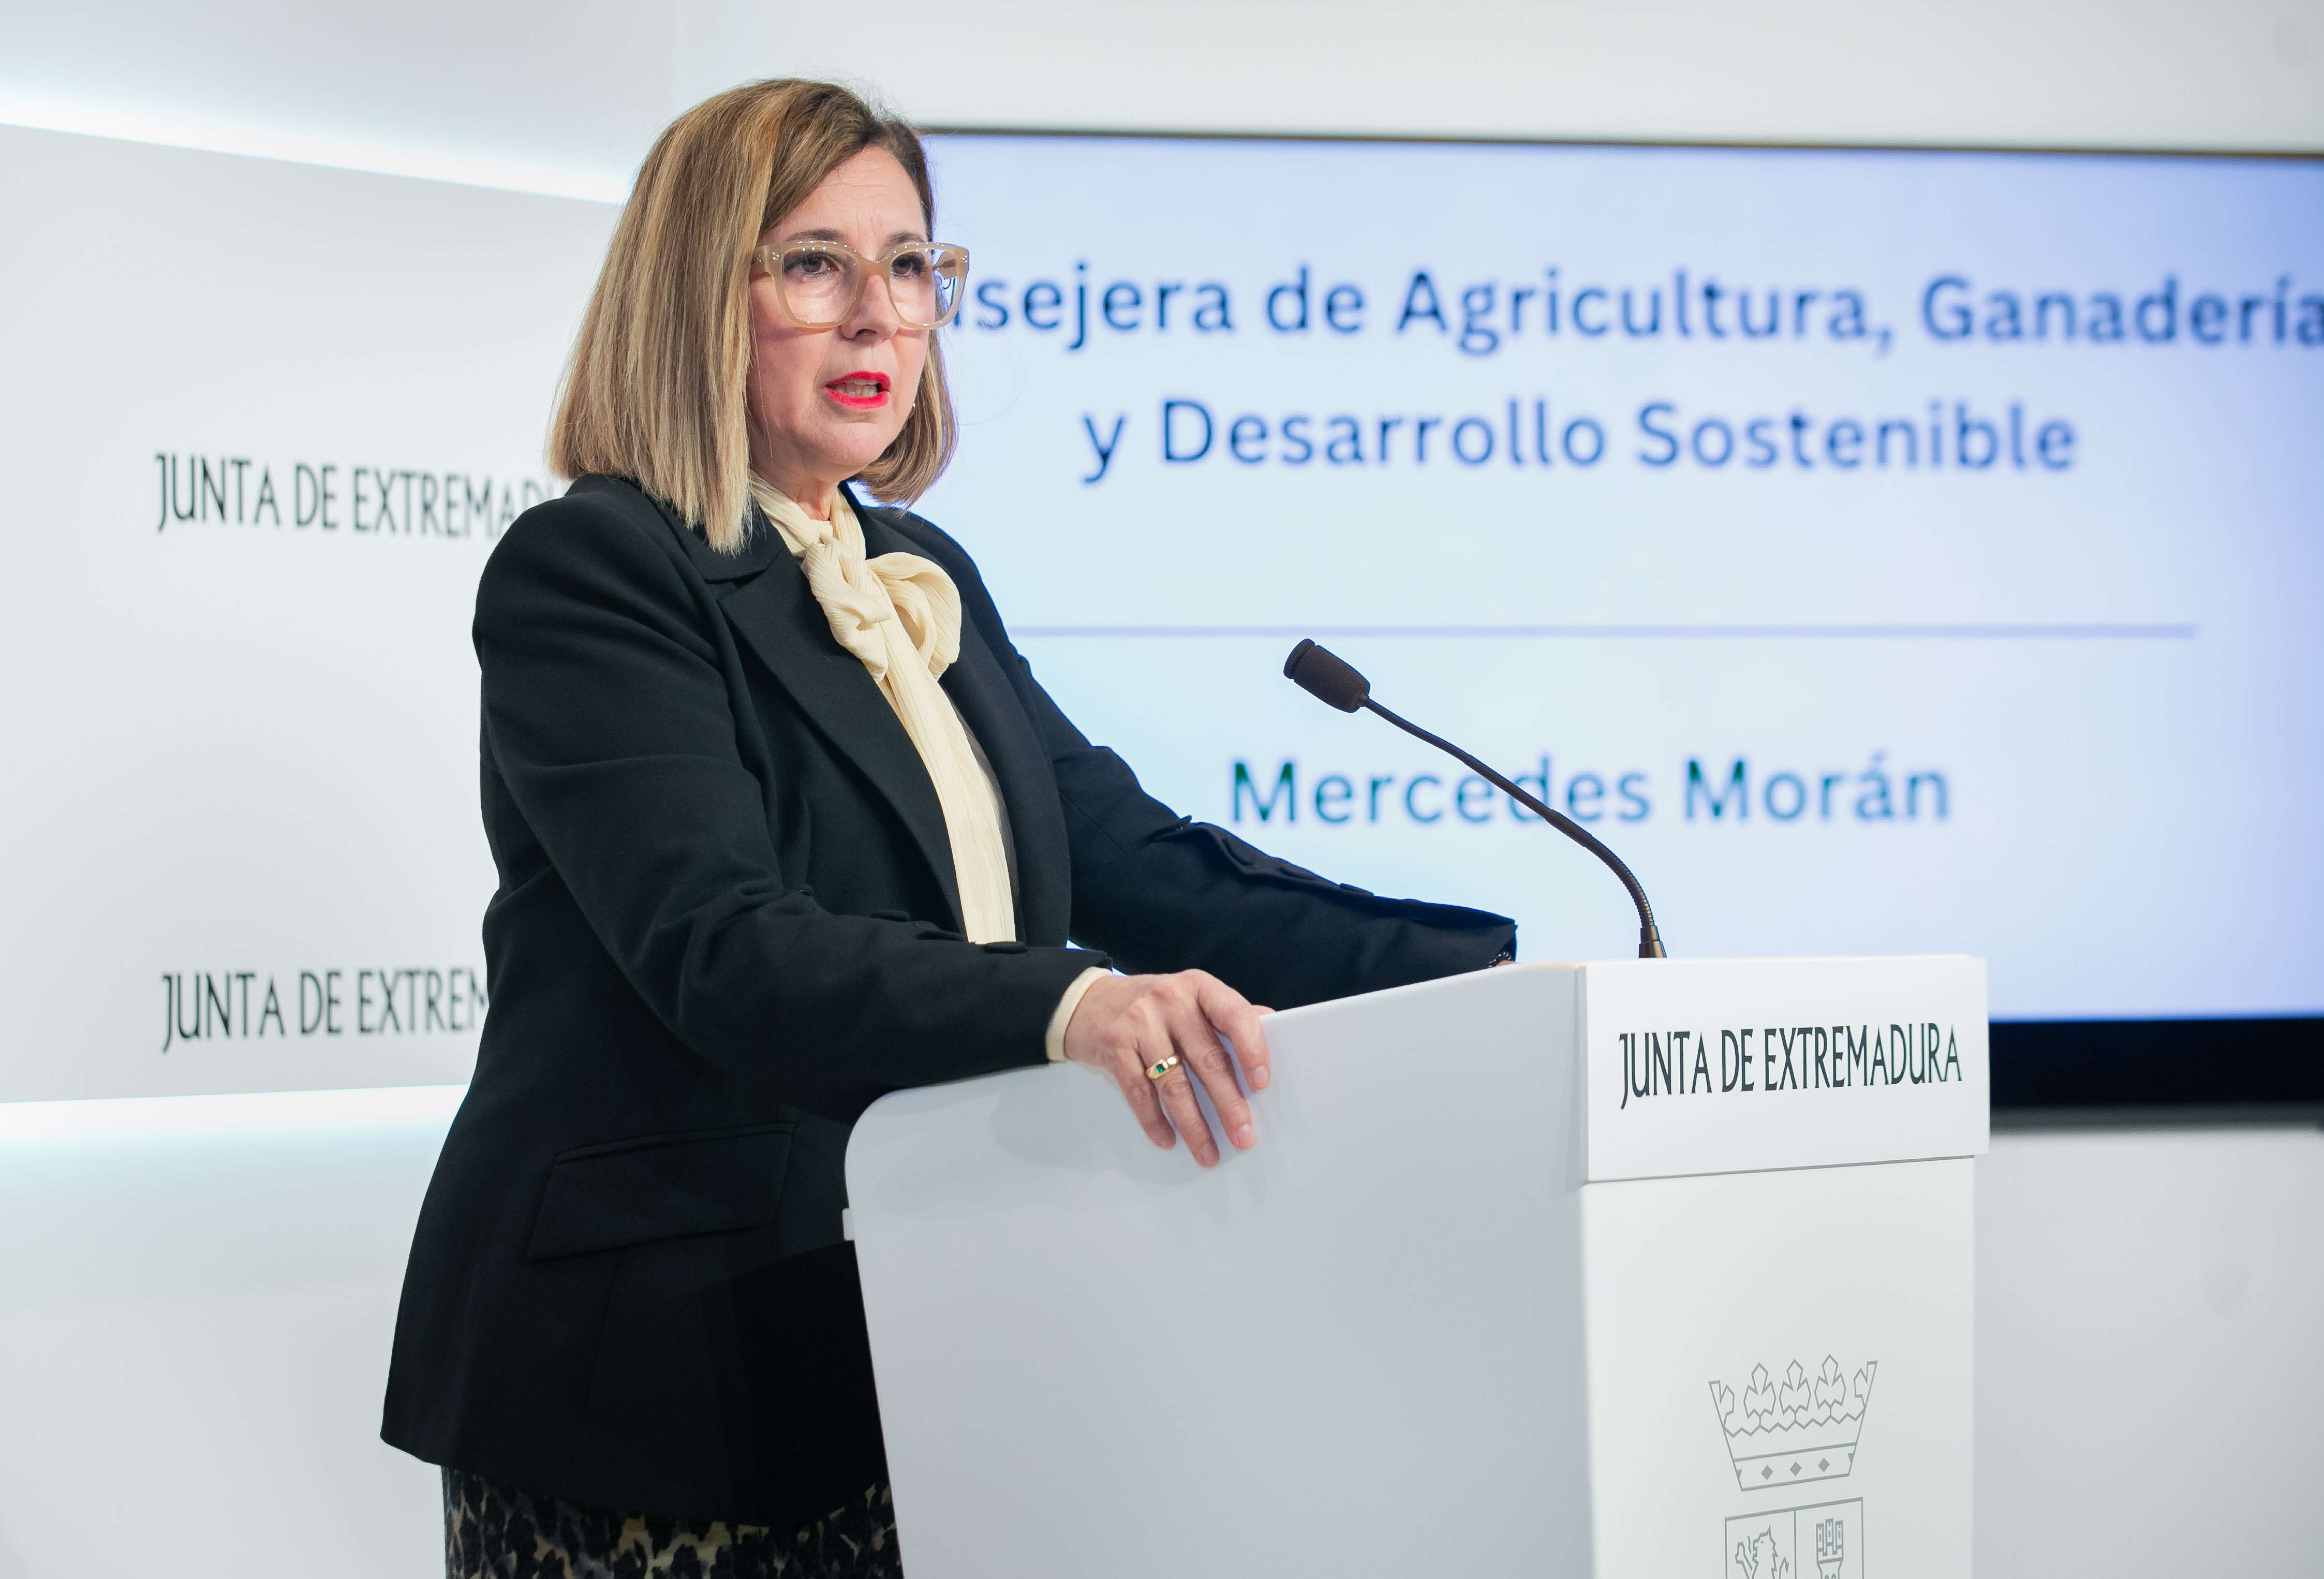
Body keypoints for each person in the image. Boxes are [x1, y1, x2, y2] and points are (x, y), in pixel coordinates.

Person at [383, 79, 1515, 1579]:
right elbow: (726, 950)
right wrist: (1074, 1004)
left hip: (925, 1330)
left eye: (910, 266)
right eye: (814, 262)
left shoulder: (917, 569)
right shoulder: (595, 570)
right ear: (694, 294)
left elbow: (1134, 861)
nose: (878, 316)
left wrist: (1500, 979)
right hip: (652, 1371)